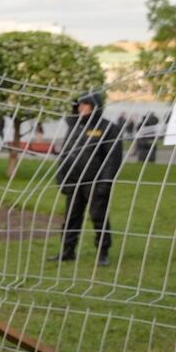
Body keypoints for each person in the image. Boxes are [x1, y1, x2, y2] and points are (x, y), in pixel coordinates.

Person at [54, 91, 123, 266]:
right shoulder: (73, 127)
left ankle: (103, 252)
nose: (81, 108)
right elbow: (66, 154)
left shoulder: (108, 128)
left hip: (95, 182)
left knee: (98, 217)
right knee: (71, 216)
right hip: (74, 181)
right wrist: (62, 177)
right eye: (79, 104)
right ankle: (67, 251)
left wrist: (105, 183)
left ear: (95, 107)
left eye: (85, 104)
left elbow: (112, 159)